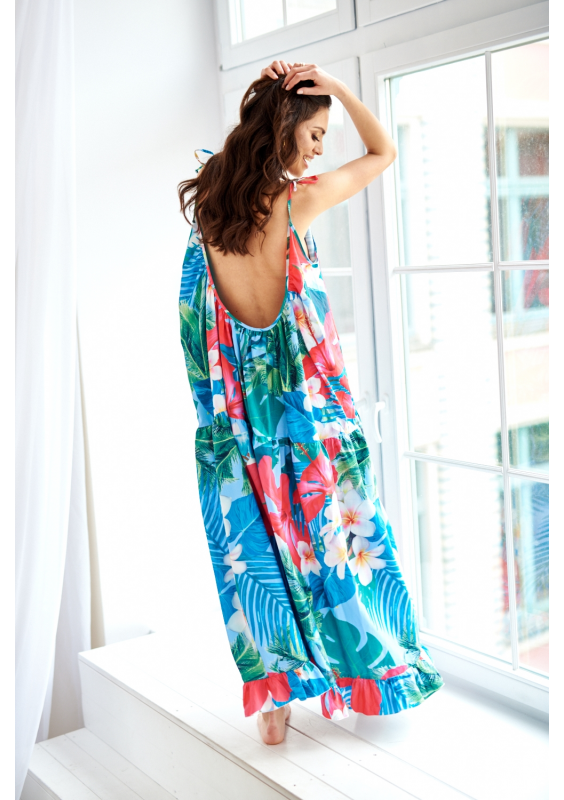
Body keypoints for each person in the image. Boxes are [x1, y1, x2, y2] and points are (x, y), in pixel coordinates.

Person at [178, 61, 444, 746]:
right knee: (341, 549)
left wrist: (286, 97)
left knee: (262, 560)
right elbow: (383, 151)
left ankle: (277, 703)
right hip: (303, 417)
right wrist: (338, 84)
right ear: (287, 128)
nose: (322, 149)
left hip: (240, 424)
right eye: (317, 134)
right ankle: (370, 679)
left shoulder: (209, 206)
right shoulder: (296, 204)